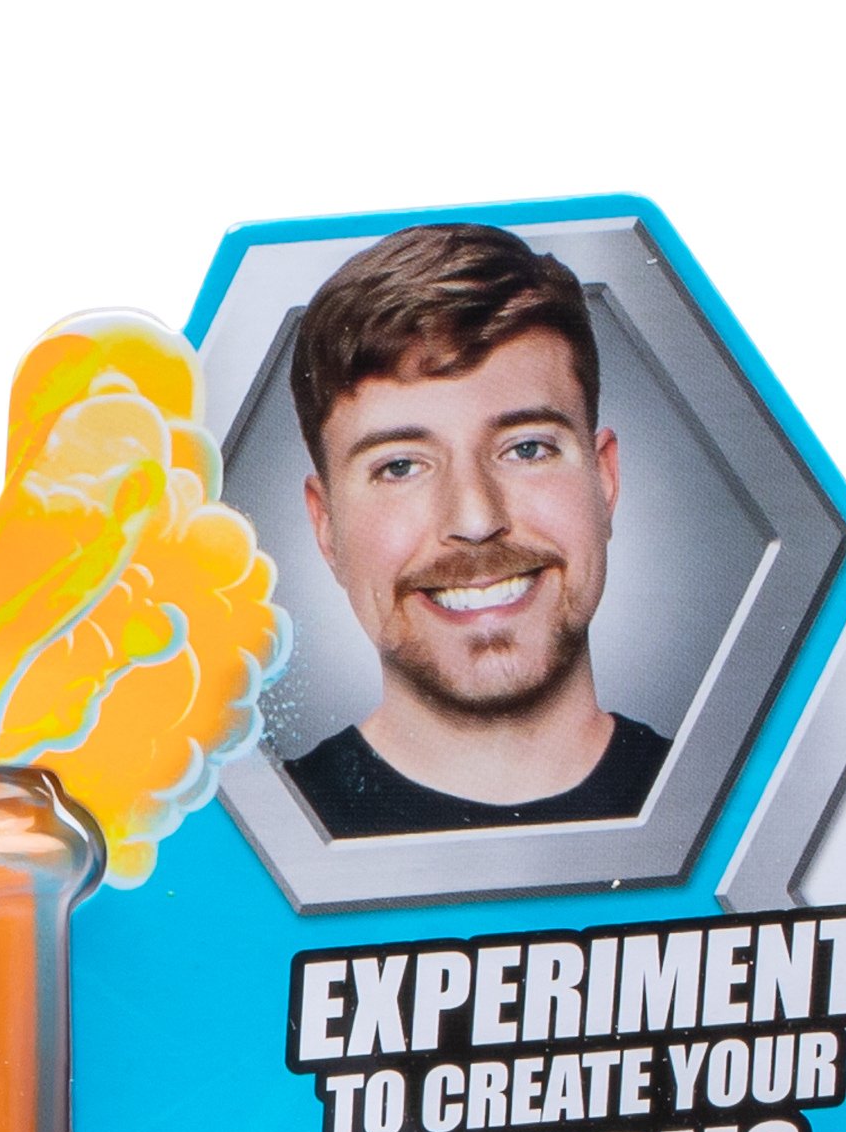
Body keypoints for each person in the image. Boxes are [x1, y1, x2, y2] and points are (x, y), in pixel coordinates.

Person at [284, 225, 668, 837]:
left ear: (605, 481)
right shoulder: (245, 845)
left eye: (527, 449)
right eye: (400, 467)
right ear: (326, 528)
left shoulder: (741, 808)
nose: (475, 520)